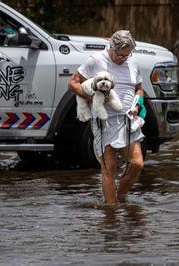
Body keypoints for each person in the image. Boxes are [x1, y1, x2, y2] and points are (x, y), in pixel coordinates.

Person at [68, 30, 145, 204]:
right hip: (104, 121)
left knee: (137, 163)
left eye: (128, 54)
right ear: (111, 47)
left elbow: (139, 88)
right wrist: (94, 98)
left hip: (127, 120)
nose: (124, 58)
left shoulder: (133, 62)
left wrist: (138, 104)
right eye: (120, 54)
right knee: (109, 167)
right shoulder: (96, 60)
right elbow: (73, 83)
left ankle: (121, 196)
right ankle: (111, 212)